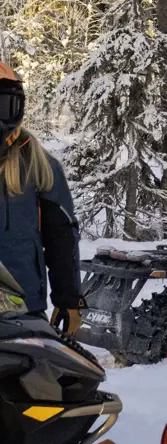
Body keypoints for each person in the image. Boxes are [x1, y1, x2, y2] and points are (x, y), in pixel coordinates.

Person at [0, 61, 85, 334]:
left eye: (2, 106)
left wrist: (68, 298)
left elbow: (61, 236)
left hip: (21, 308)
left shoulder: (40, 166)